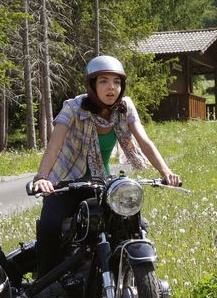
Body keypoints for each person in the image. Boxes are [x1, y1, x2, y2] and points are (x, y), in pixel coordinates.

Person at [32, 55, 180, 275]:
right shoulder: (73, 108)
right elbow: (54, 144)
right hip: (64, 183)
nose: (112, 87)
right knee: (49, 227)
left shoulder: (124, 107)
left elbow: (144, 141)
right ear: (92, 85)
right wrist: (42, 177)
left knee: (134, 224)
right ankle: (45, 287)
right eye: (103, 81)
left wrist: (166, 172)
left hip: (100, 184)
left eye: (117, 82)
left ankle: (129, 280)